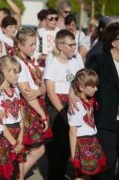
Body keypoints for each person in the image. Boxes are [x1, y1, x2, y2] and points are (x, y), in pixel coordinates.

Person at [82, 22, 119, 179]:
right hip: (104, 119)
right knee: (106, 163)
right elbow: (83, 80)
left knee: (117, 161)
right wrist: (72, 94)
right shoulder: (100, 60)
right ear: (113, 42)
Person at [43, 29, 83, 179]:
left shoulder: (75, 61)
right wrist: (62, 112)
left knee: (68, 146)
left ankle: (61, 174)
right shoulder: (53, 63)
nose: (74, 47)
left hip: (73, 104)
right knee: (56, 147)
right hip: (58, 108)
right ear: (60, 45)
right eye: (71, 44)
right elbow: (51, 92)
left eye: (75, 44)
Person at [15, 28, 51, 178]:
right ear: (20, 45)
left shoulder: (28, 61)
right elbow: (26, 92)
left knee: (34, 149)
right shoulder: (18, 63)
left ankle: (19, 175)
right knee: (31, 149)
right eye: (30, 44)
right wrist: (42, 114)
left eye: (35, 44)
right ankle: (19, 176)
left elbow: (42, 87)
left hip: (35, 105)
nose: (33, 47)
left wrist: (39, 91)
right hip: (27, 109)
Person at [68, 68, 106, 179]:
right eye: (93, 86)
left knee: (87, 176)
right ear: (82, 87)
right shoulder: (76, 106)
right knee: (81, 176)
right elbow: (72, 131)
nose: (96, 88)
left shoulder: (89, 101)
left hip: (91, 141)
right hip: (82, 143)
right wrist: (73, 154)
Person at [0, 55, 25, 179]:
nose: (18, 75)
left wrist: (20, 139)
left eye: (18, 72)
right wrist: (14, 143)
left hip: (17, 134)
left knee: (17, 172)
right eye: (15, 72)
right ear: (3, 72)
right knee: (4, 173)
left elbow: (21, 118)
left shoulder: (16, 90)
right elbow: (0, 123)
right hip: (5, 136)